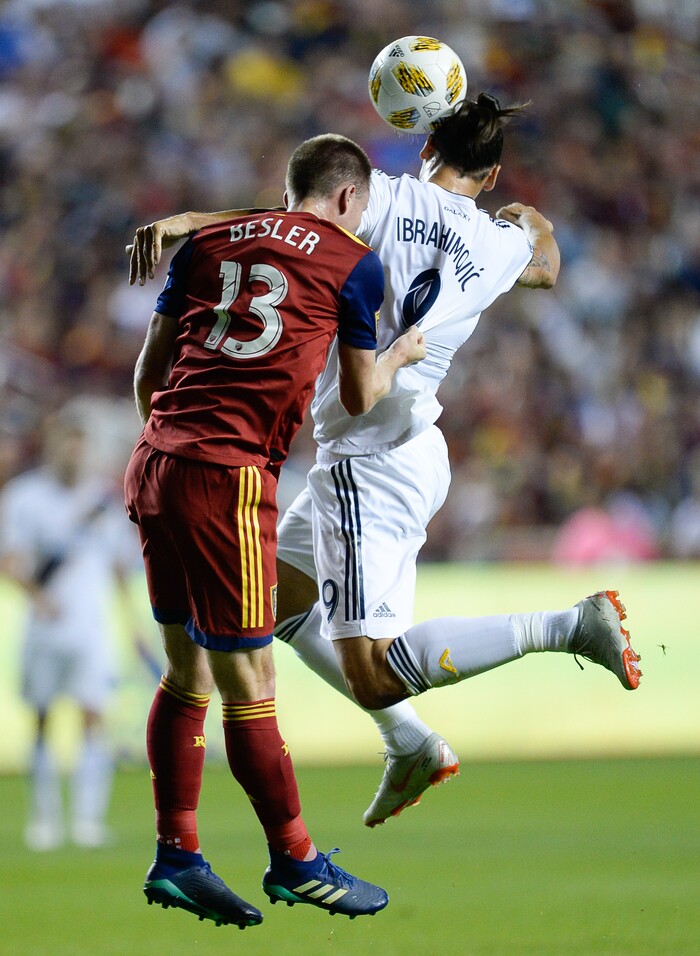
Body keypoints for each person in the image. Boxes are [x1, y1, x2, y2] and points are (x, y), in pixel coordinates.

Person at [128, 95, 642, 831]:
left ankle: (566, 626)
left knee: (372, 672)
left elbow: (294, 221)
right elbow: (546, 270)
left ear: (425, 146)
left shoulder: (388, 199)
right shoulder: (499, 244)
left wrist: (193, 221)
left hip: (367, 460)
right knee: (274, 599)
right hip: (410, 443)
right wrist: (535, 223)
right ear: (493, 174)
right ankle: (409, 743)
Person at [124, 133, 425, 929]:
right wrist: (400, 353)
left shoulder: (208, 241)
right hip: (226, 479)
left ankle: (178, 855)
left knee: (185, 671)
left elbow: (149, 376)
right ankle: (296, 860)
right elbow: (358, 395)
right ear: (351, 196)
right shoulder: (353, 264)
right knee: (251, 682)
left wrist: (180, 442)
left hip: (154, 463)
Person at [0, 407, 137, 851]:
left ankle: (86, 820)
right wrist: (38, 597)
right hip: (44, 628)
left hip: (91, 629)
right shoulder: (25, 497)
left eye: (80, 446)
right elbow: (10, 560)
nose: (73, 454)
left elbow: (119, 565)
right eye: (67, 444)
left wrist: (132, 623)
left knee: (93, 720)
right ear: (53, 446)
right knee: (41, 720)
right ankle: (44, 820)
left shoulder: (103, 500)